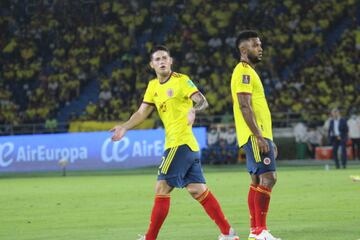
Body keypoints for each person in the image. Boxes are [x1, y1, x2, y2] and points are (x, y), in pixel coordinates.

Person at [110, 45, 239, 240]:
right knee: (197, 190)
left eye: (165, 58)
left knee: (162, 186)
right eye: (157, 59)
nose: (162, 61)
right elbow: (141, 113)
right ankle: (228, 233)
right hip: (187, 147)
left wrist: (195, 109)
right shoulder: (153, 86)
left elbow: (202, 101)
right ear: (152, 64)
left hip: (180, 144)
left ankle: (150, 238)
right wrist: (125, 127)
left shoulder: (182, 81)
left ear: (170, 61)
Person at [230, 30, 281, 240]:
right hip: (254, 135)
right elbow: (244, 105)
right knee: (269, 178)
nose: (260, 49)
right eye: (255, 45)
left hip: (257, 134)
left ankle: (255, 230)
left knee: (257, 180)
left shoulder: (249, 71)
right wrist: (259, 137)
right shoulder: (243, 71)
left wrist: (268, 137)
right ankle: (260, 231)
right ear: (244, 49)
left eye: (260, 45)